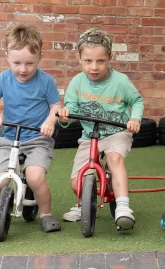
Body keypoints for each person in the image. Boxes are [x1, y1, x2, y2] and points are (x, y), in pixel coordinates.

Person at [57, 28, 143, 231]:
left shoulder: (120, 81)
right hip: (90, 136)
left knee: (115, 159)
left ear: (110, 58)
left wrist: (135, 119)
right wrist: (64, 116)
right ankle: (85, 203)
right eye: (88, 61)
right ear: (79, 58)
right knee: (75, 181)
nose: (94, 67)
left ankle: (123, 207)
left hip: (117, 132)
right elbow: (69, 111)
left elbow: (137, 101)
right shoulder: (77, 82)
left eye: (100, 61)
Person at [0, 24, 62, 233]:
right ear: (7, 56)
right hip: (10, 139)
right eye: (17, 63)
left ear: (39, 58)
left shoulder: (45, 81)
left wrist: (50, 121)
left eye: (29, 63)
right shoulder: (3, 79)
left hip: (38, 139)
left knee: (35, 177)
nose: (23, 69)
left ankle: (45, 212)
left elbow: (56, 106)